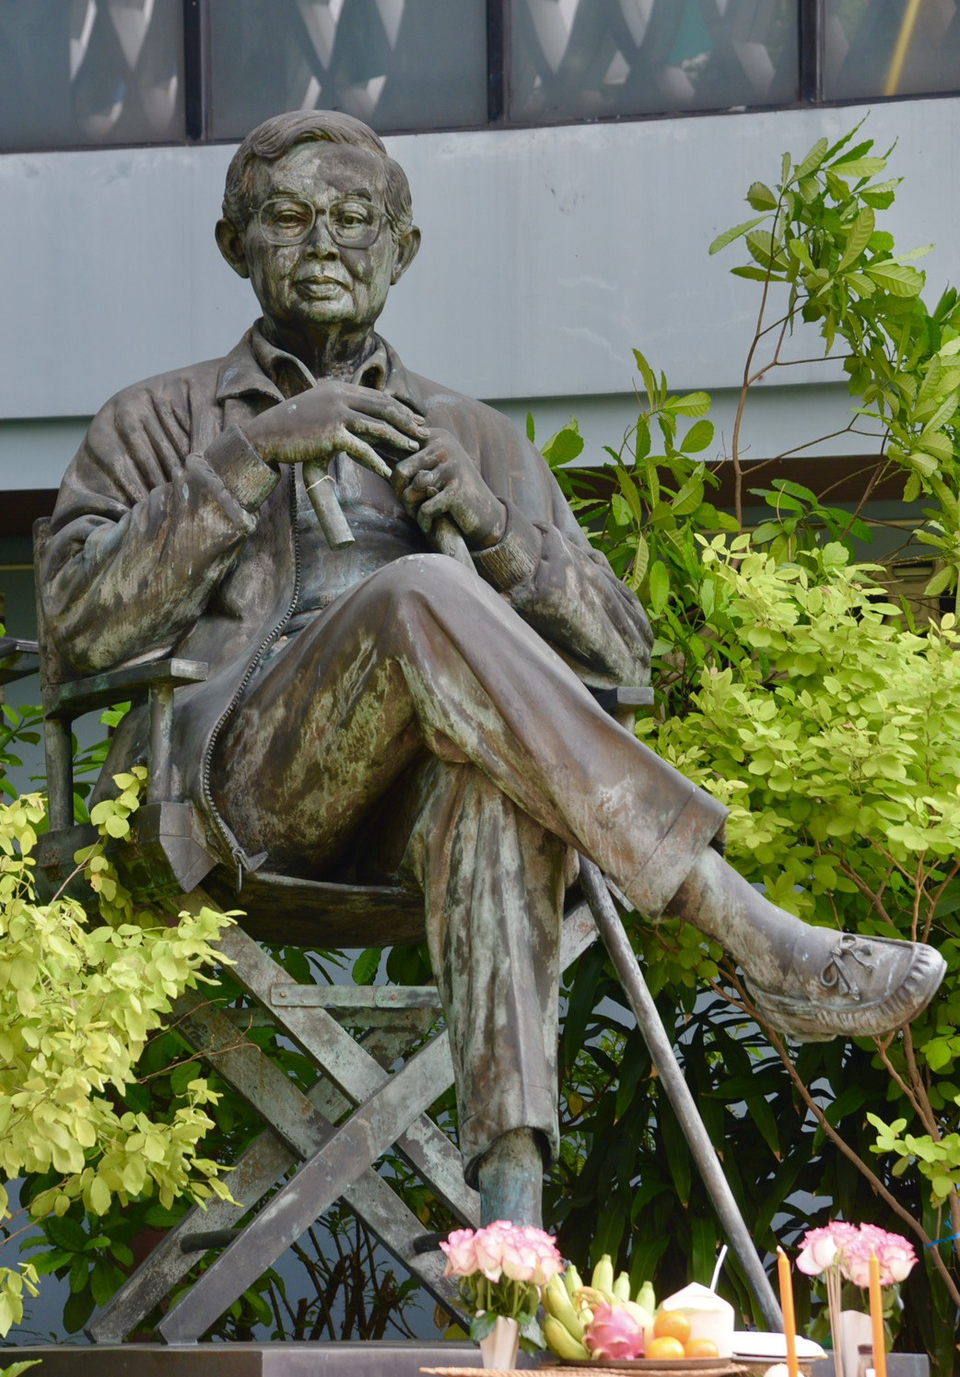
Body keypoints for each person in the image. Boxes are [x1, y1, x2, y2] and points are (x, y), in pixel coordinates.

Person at [42, 111, 944, 1227]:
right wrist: (251, 452)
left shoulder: (475, 437)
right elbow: (77, 627)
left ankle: (511, 1225)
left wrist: (494, 525)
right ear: (236, 244)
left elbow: (624, 650)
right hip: (239, 795)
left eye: (353, 220)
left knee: (496, 792)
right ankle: (741, 923)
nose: (322, 243)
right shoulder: (158, 419)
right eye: (289, 217)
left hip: (407, 819)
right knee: (417, 592)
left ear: (402, 250)